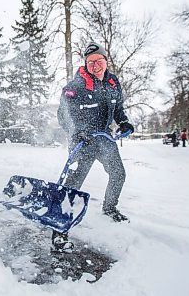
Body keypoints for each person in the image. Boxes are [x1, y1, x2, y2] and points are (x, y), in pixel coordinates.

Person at [55, 42, 134, 252]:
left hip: (103, 138)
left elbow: (118, 110)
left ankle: (109, 208)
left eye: (99, 61)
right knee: (74, 183)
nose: (95, 65)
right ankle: (59, 231)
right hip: (83, 140)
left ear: (106, 61)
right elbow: (63, 115)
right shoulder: (75, 87)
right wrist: (77, 131)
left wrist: (124, 122)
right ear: (86, 65)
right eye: (91, 62)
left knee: (118, 173)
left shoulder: (112, 82)